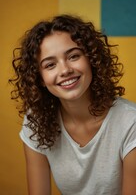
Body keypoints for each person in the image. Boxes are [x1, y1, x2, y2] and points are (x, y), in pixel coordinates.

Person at [9, 14, 136, 195]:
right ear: (40, 79)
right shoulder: (35, 122)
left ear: (91, 59)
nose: (65, 70)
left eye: (73, 56)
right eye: (50, 65)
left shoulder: (131, 122)